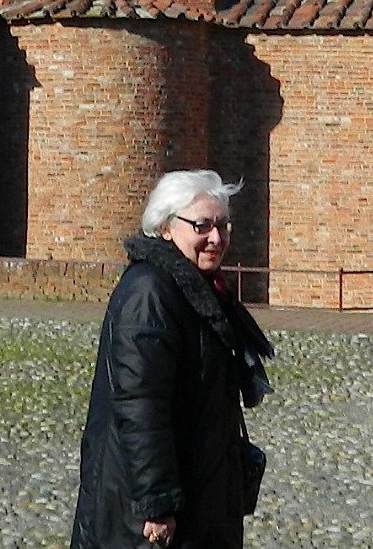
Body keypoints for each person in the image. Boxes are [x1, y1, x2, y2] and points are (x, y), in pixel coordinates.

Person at [70, 170, 275, 549]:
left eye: (223, 226)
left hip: (197, 490)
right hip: (145, 511)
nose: (216, 238)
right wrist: (158, 503)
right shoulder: (150, 293)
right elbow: (140, 405)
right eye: (202, 226)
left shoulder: (198, 289)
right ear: (166, 228)